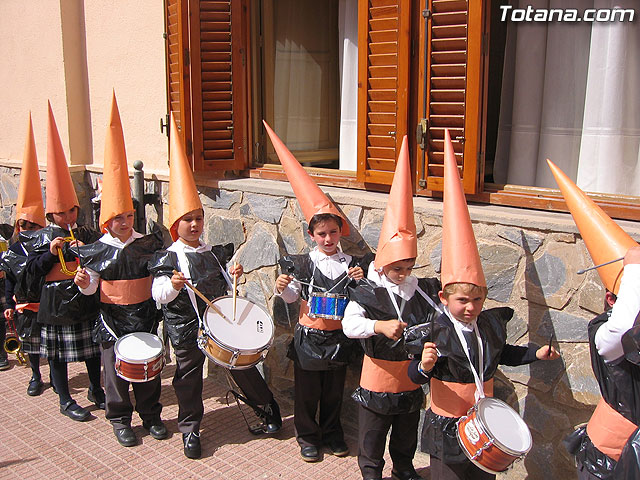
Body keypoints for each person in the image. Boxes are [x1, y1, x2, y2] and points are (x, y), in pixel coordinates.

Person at [408, 131, 559, 480]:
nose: (471, 307)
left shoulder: (487, 325)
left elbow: (501, 353)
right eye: (463, 300)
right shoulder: (434, 330)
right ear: (445, 298)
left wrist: (534, 355)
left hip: (485, 421)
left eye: (477, 299)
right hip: (447, 425)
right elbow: (414, 376)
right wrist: (425, 366)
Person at [149, 114, 281, 459]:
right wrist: (174, 285)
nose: (194, 225)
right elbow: (159, 296)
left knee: (243, 365)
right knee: (188, 377)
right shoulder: (168, 258)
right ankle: (190, 430)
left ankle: (267, 408)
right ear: (175, 224)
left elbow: (226, 283)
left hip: (220, 318)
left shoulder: (214, 251)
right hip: (186, 326)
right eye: (187, 220)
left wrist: (234, 273)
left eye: (198, 219)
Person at [265, 121, 368, 463]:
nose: (328, 239)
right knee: (308, 392)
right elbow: (294, 297)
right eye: (321, 233)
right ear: (311, 235)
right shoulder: (302, 264)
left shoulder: (350, 263)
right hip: (309, 338)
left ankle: (332, 432)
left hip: (339, 338)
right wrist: (284, 288)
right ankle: (308, 436)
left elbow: (360, 301)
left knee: (335, 391)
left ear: (340, 233)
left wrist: (359, 281)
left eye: (333, 233)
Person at [342, 136, 441, 480]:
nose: (403, 274)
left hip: (410, 376)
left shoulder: (420, 290)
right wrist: (378, 327)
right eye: (397, 268)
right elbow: (349, 325)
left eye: (409, 267)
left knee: (405, 429)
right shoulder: (368, 292)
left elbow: (438, 313)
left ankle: (403, 465)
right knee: (372, 433)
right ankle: (371, 470)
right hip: (378, 375)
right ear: (382, 264)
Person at [74, 93, 165, 447]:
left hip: (144, 314)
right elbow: (90, 287)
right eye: (117, 218)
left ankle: (151, 414)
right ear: (106, 220)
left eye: (128, 216)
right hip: (111, 320)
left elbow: (157, 277)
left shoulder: (148, 243)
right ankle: (120, 418)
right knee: (116, 374)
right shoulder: (95, 250)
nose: (125, 223)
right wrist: (84, 282)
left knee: (149, 368)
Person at [547, 159, 640, 479]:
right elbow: (623, 329)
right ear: (613, 300)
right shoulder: (606, 331)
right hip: (612, 460)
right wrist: (635, 269)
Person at [20, 103, 103, 422]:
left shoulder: (84, 231)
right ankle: (65, 398)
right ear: (50, 214)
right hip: (54, 301)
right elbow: (29, 275)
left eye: (72, 210)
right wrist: (48, 253)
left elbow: (100, 256)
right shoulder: (38, 237)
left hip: (81, 295)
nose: (68, 217)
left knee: (91, 349)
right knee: (57, 354)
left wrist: (85, 247)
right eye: (61, 212)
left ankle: (97, 388)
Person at [1, 113, 47, 389]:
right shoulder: (14, 250)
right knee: (31, 342)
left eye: (32, 224)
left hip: (47, 304)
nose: (27, 228)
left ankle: (53, 376)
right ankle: (35, 375)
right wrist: (8, 305)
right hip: (24, 306)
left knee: (49, 345)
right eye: (23, 225)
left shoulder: (46, 246)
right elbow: (9, 280)